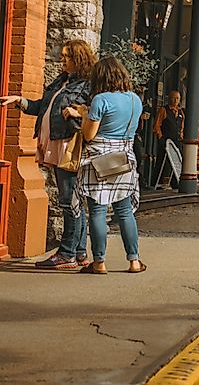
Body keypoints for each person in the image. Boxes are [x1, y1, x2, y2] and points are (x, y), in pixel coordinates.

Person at [0, 39, 95, 269]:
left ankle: (67, 254)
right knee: (73, 201)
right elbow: (41, 106)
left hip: (67, 146)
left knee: (68, 201)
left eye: (66, 56)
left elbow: (93, 116)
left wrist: (75, 113)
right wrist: (19, 101)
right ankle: (79, 253)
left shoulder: (86, 85)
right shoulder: (62, 81)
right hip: (54, 144)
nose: (62, 60)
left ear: (78, 58)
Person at [73, 56, 146, 274]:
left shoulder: (100, 100)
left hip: (99, 159)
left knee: (97, 210)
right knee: (124, 211)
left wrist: (84, 114)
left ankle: (99, 262)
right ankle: (134, 261)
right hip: (124, 159)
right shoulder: (135, 99)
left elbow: (89, 134)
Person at [152, 90, 184, 190]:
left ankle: (176, 182)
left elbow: (182, 126)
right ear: (169, 98)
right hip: (165, 140)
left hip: (177, 140)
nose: (175, 100)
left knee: (178, 161)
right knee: (161, 161)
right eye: (173, 98)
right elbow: (157, 125)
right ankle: (156, 183)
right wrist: (160, 137)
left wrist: (182, 136)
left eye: (177, 98)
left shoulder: (181, 112)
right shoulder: (163, 110)